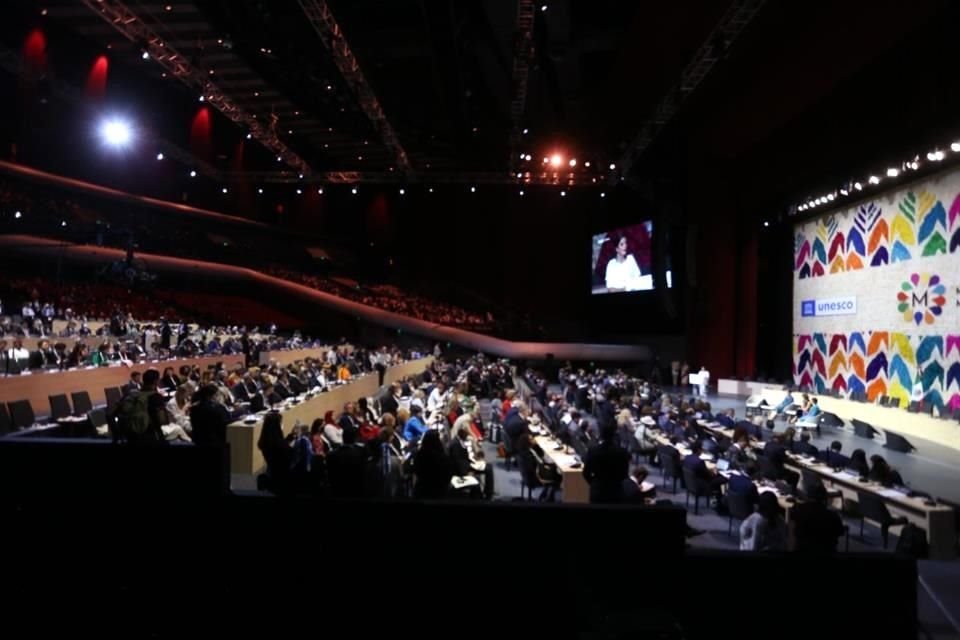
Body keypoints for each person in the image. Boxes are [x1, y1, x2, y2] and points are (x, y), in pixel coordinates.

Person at [583, 423, 631, 504]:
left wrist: (594, 483)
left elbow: (585, 473)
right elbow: (625, 474)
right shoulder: (622, 452)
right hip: (616, 491)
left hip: (597, 490)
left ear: (601, 435)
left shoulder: (593, 451)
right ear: (614, 436)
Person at [790, 483, 845, 553]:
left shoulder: (799, 509)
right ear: (825, 499)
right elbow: (840, 532)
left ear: (808, 496)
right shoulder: (832, 516)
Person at [257, 411, 294, 495]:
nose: (282, 425)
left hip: (273, 475)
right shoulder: (279, 445)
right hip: (284, 479)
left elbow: (281, 444)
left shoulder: (265, 441)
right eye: (281, 423)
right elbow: (290, 455)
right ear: (276, 426)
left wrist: (291, 436)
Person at [326, 426, 368, 498]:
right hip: (356, 491)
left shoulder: (331, 455)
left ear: (343, 437)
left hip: (337, 491)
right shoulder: (361, 453)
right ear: (355, 438)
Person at [412, 430, 452, 499]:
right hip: (440, 492)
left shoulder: (420, 455)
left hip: (422, 491)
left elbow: (416, 471)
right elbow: (448, 474)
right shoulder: (443, 457)